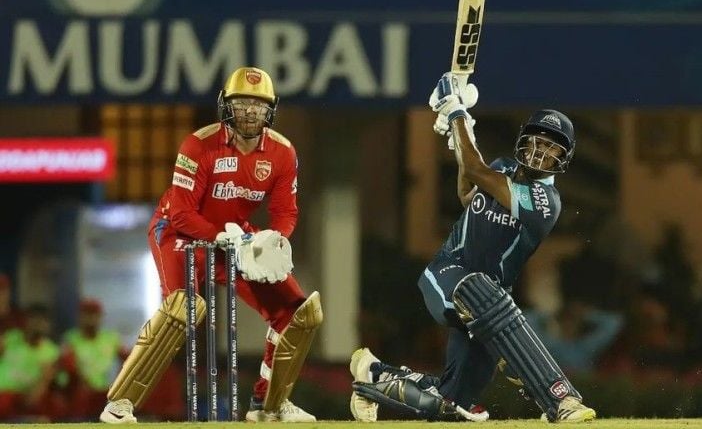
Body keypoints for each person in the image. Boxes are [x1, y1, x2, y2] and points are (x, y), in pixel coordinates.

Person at [349, 73, 596, 423]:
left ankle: (374, 374)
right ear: (522, 142)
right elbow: (469, 190)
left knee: (454, 404)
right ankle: (560, 400)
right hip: (449, 274)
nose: (541, 151)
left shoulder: (546, 202)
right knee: (479, 288)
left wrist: (457, 116)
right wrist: (459, 134)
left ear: (564, 157)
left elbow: (477, 172)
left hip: (490, 304)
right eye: (537, 141)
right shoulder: (504, 168)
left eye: (551, 146)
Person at [100, 67, 322, 424]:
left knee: (298, 313)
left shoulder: (283, 153)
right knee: (181, 310)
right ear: (226, 105)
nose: (250, 111)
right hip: (177, 233)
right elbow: (184, 213)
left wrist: (274, 239)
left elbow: (285, 211)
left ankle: (269, 406)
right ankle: (120, 403)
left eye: (258, 104)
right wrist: (224, 238)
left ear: (271, 110)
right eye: (242, 103)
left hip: (235, 238)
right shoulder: (199, 144)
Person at [59, 300, 127, 421]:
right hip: (82, 394)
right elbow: (69, 367)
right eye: (87, 314)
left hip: (107, 394)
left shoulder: (111, 338)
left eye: (94, 314)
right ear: (80, 317)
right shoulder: (71, 339)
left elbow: (129, 360)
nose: (91, 318)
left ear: (100, 317)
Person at [0, 305, 61, 421]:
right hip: (4, 397)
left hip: (29, 400)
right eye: (34, 320)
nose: (37, 325)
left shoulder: (52, 351)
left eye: (42, 321)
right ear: (26, 321)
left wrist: (45, 378)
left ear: (47, 325)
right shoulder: (10, 338)